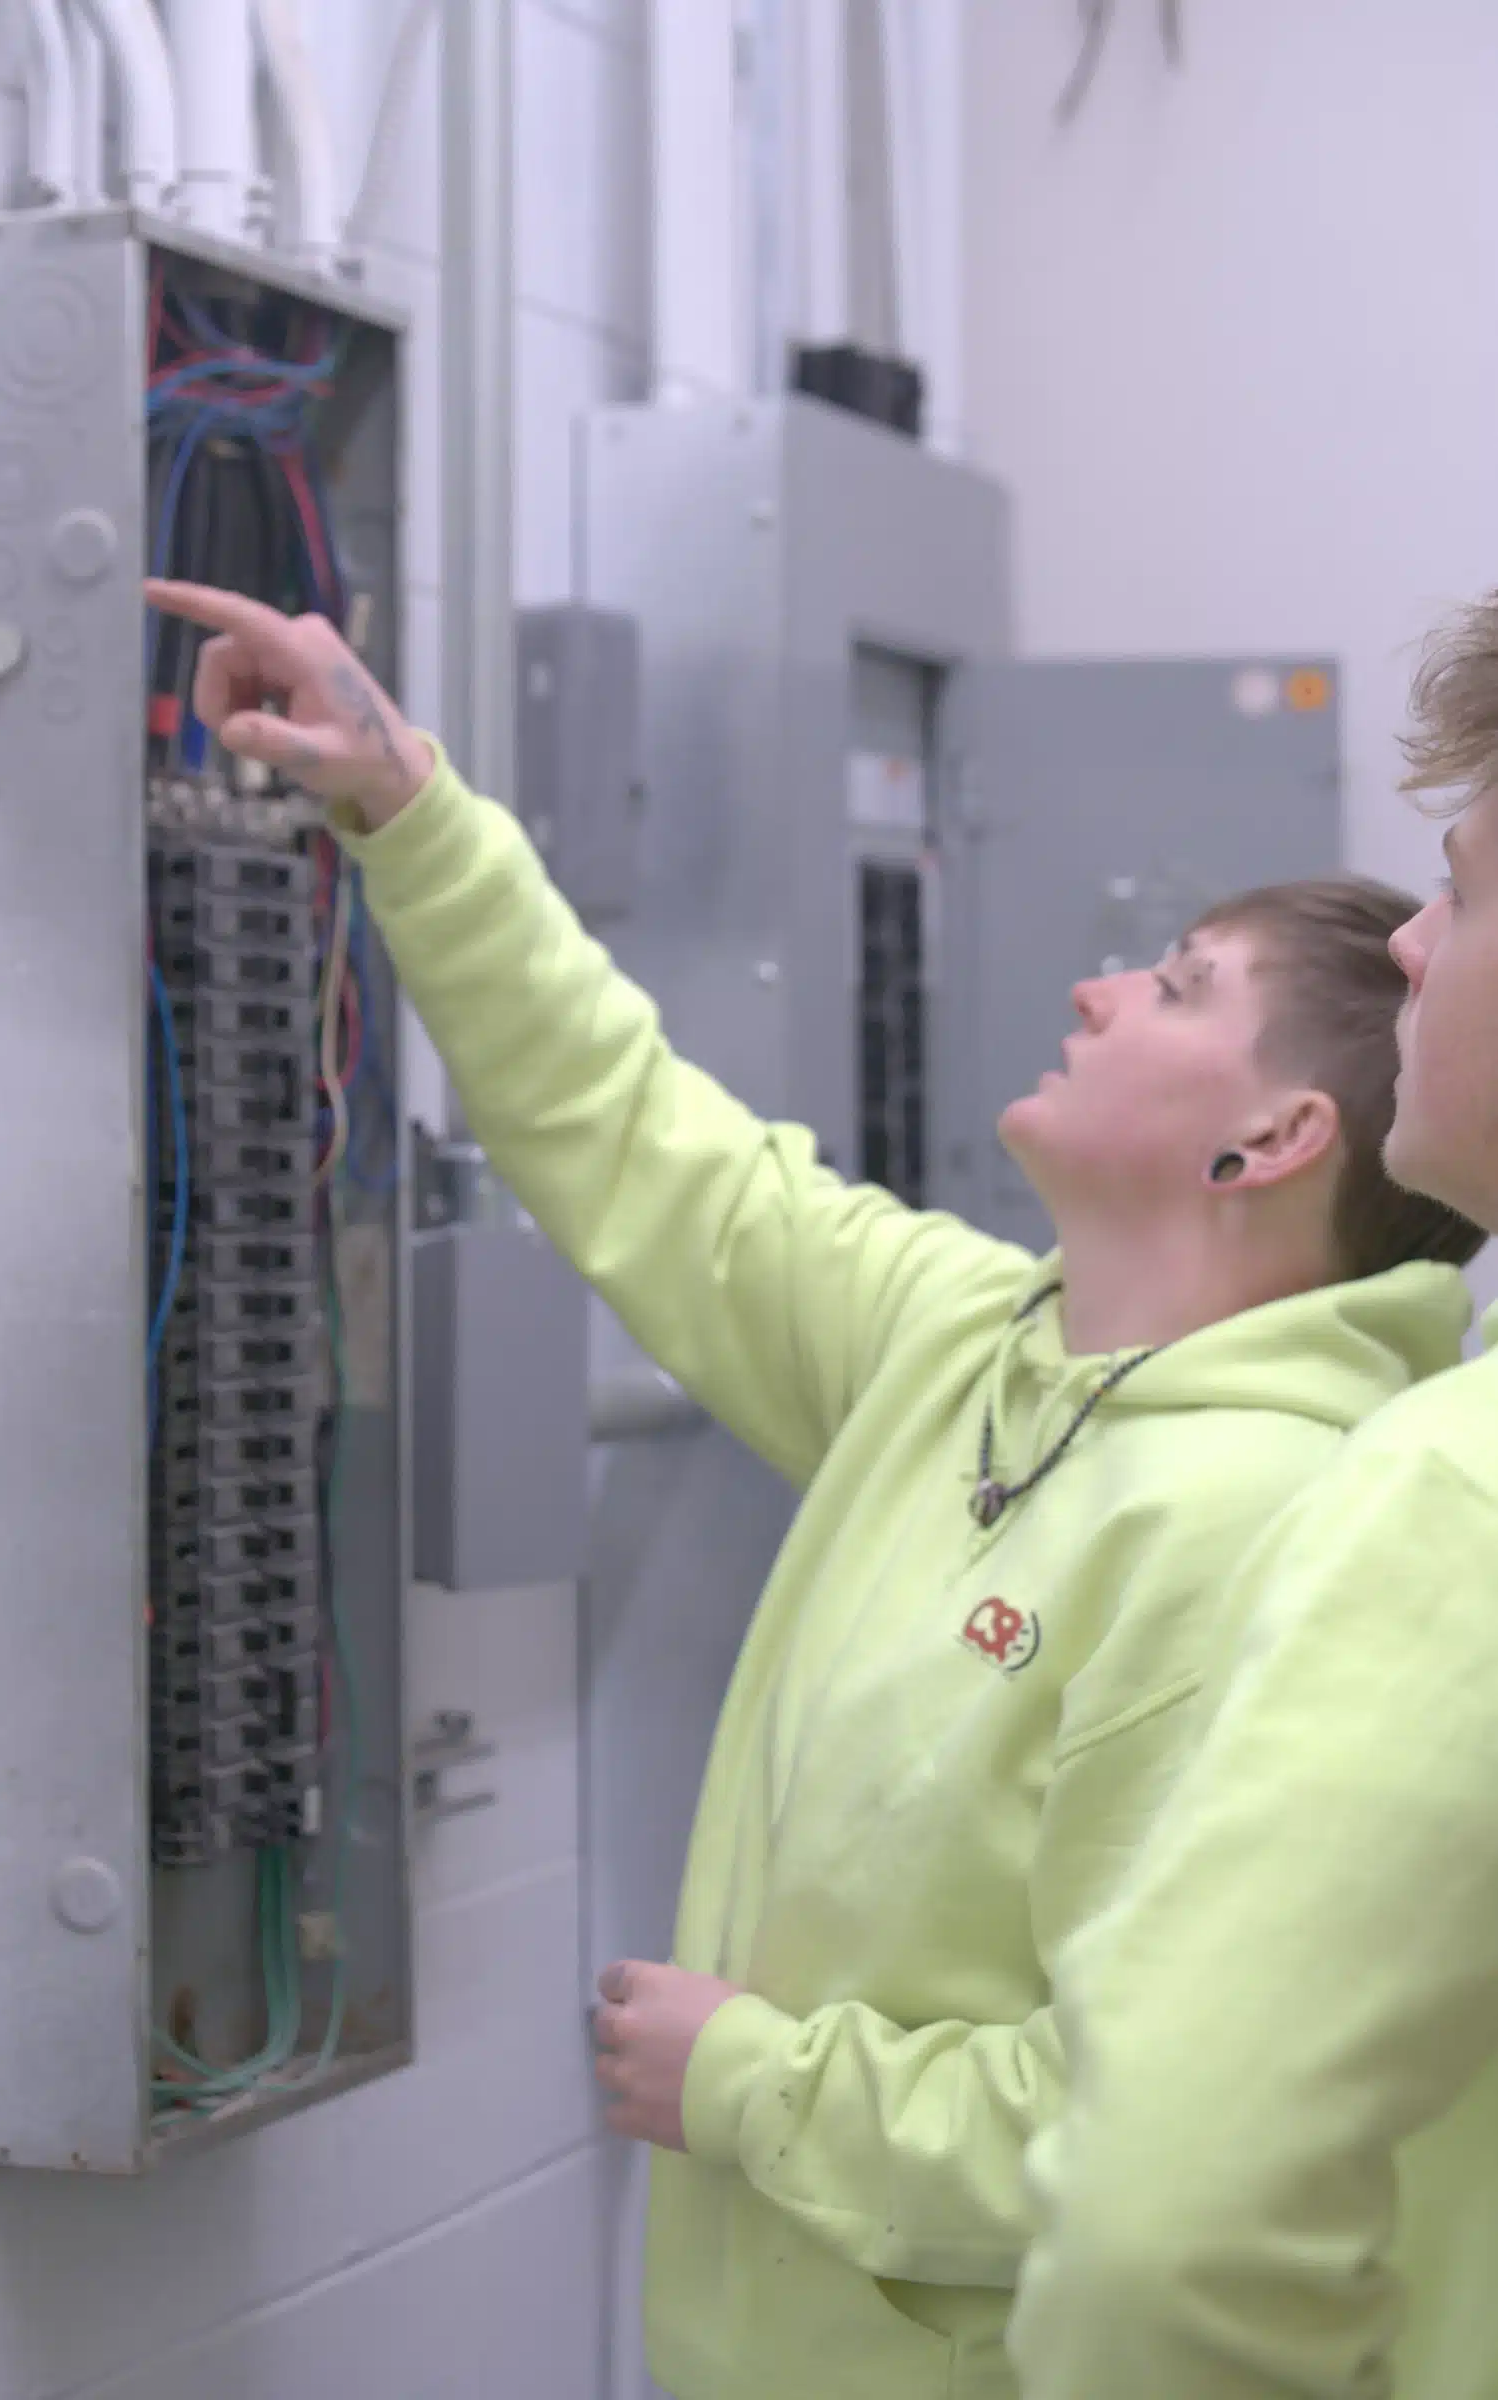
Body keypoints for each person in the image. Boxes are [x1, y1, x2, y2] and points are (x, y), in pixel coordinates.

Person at [145, 577, 1480, 2400]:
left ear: (1268, 1141)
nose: (1098, 984)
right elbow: (647, 1147)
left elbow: (1154, 2134)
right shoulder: (971, 1347)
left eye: (1172, 987)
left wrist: (753, 2086)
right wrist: (410, 810)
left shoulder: (1279, 1522)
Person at [1004, 595, 1498, 2400]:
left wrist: (755, 2091)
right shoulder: (979, 1354)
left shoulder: (1444, 1497)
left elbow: (1164, 2237)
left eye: (1463, 889)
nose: (1418, 951)